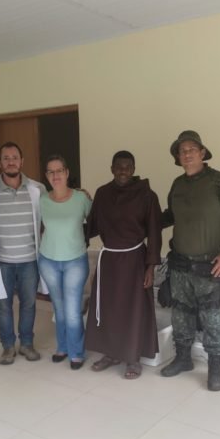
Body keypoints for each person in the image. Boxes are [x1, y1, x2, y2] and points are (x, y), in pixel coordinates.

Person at [160, 130, 220, 391]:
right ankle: (183, 359)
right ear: (177, 157)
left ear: (202, 153)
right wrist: (143, 219)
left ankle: (214, 369)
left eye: (192, 149)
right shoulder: (177, 185)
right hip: (179, 265)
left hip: (209, 267)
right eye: (182, 150)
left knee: (212, 319)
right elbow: (171, 215)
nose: (187, 153)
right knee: (180, 315)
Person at [85, 150, 162, 379]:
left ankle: (132, 359)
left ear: (134, 169)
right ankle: (111, 354)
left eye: (128, 167)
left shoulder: (147, 195)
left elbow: (154, 233)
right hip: (109, 259)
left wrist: (151, 267)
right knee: (109, 308)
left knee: (133, 310)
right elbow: (93, 226)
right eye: (118, 166)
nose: (123, 171)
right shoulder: (102, 193)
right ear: (111, 168)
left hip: (135, 259)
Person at [0, 142, 46, 365]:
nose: (11, 161)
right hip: (2, 262)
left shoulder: (37, 189)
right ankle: (8, 347)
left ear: (22, 161)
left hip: (30, 260)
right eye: (6, 158)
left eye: (15, 157)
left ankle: (26, 344)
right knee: (3, 306)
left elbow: (52, 211)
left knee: (29, 304)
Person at [38, 154, 92, 369]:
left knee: (71, 310)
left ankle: (77, 352)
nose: (55, 175)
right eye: (50, 171)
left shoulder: (81, 199)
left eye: (59, 170)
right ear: (46, 176)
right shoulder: (42, 200)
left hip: (75, 262)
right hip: (48, 260)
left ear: (67, 173)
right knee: (58, 309)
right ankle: (62, 347)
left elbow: (97, 221)